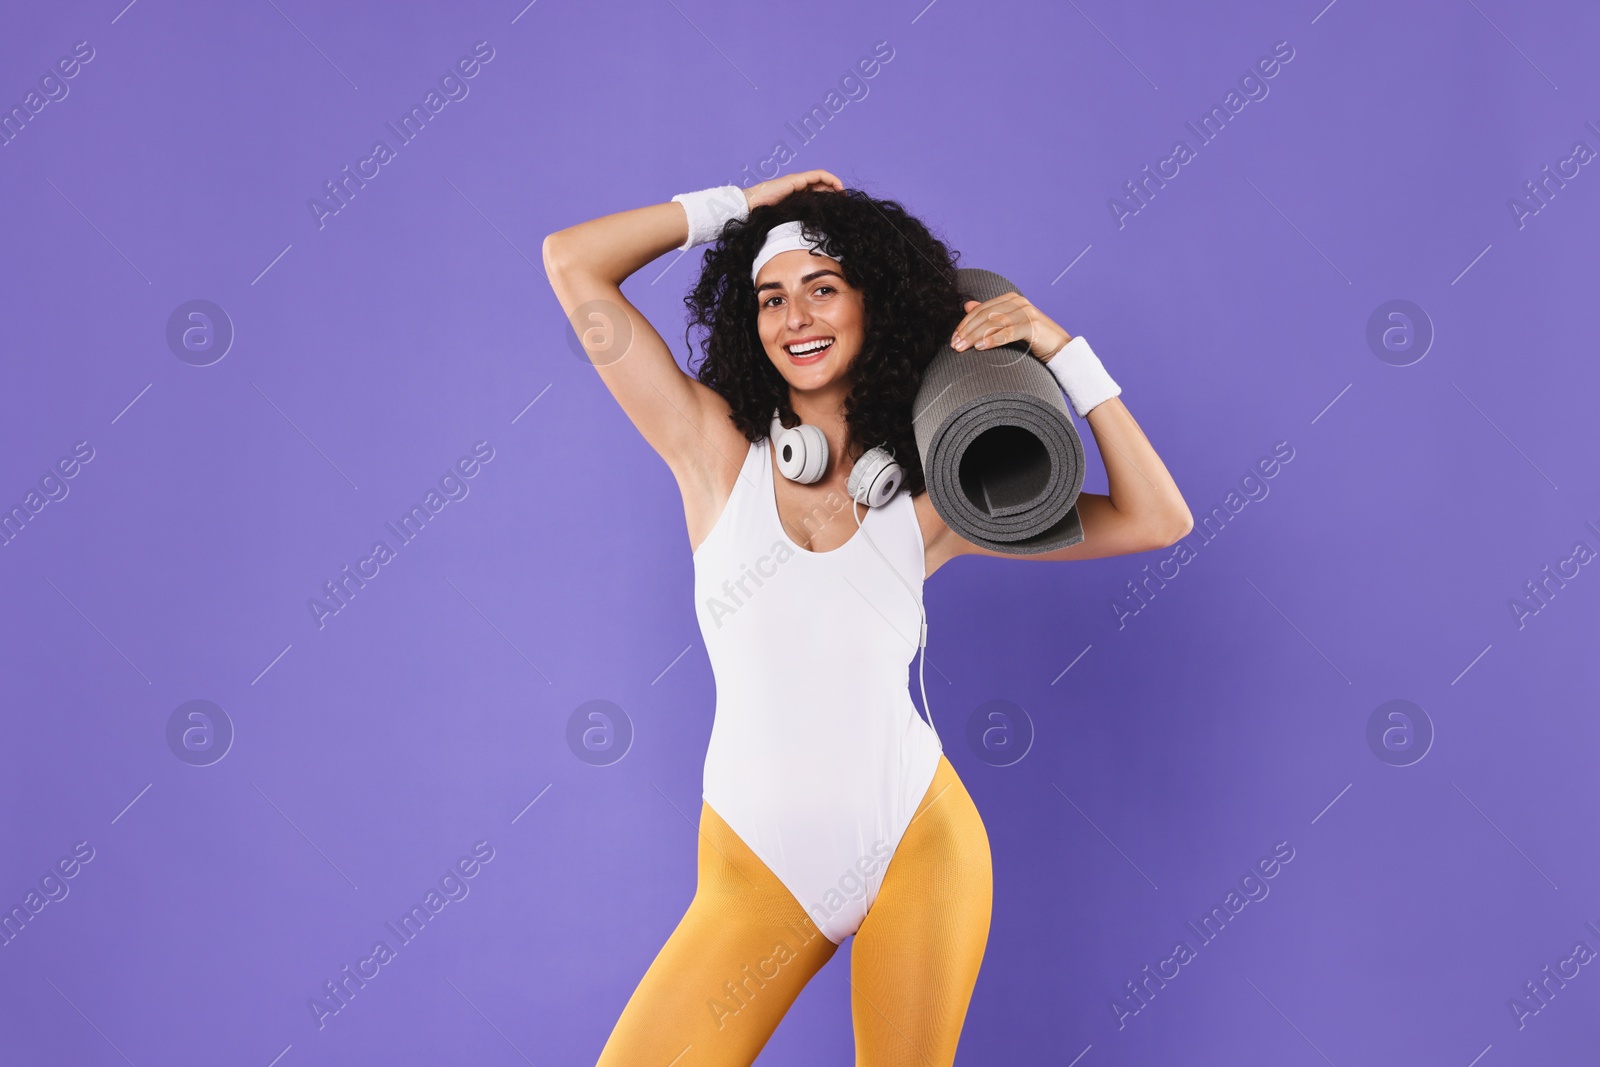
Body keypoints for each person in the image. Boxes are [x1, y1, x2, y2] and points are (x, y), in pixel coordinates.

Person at [542, 168, 1191, 1067]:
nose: (795, 317)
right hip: (757, 874)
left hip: (919, 846)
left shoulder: (931, 500)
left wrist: (1059, 348)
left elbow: (1158, 518)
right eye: (771, 297)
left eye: (822, 289)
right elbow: (572, 262)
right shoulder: (709, 450)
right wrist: (744, 205)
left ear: (871, 305)